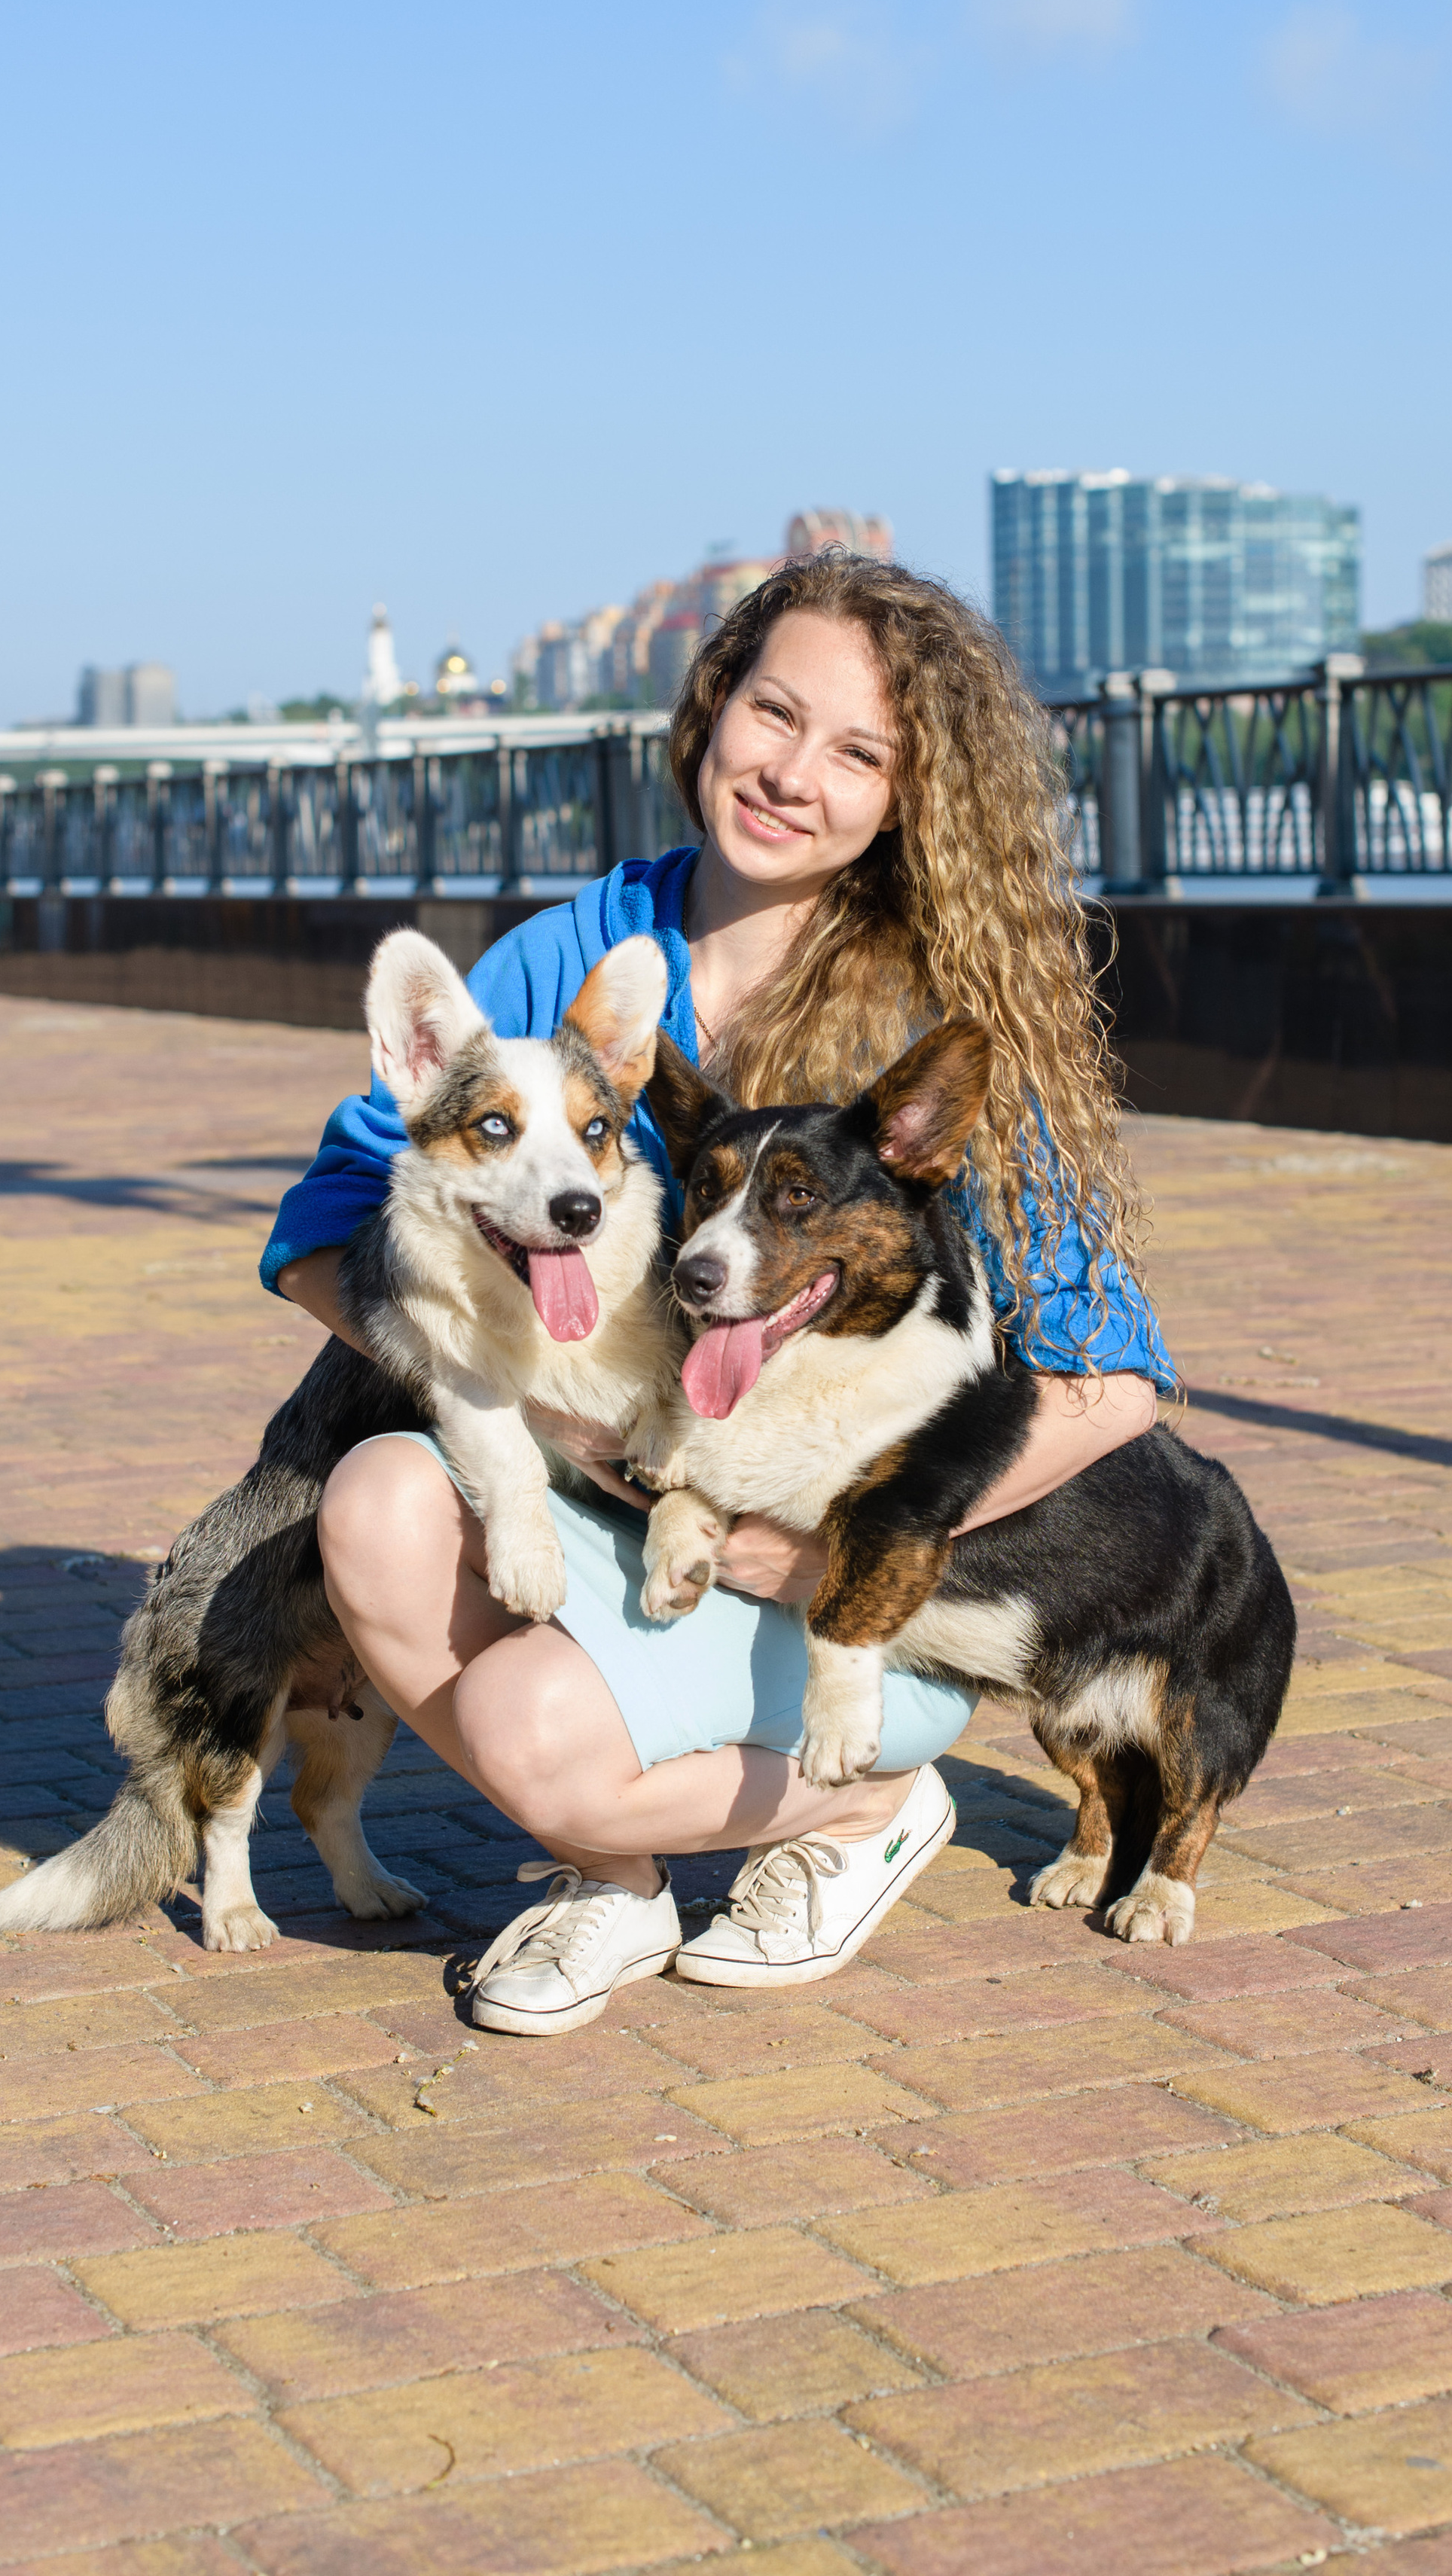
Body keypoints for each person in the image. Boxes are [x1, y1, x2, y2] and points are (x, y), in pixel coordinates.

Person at [263, 551, 1176, 2032]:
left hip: (838, 1588)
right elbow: (322, 1234)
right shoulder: (576, 954)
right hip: (621, 1493)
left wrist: (823, 1561)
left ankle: (854, 1812)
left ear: (906, 798)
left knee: (528, 1729)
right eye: (772, 712)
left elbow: (1110, 1381)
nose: (789, 773)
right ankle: (611, 1886)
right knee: (377, 1501)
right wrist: (544, 1437)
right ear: (709, 707)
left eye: (856, 752)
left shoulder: (934, 1010)